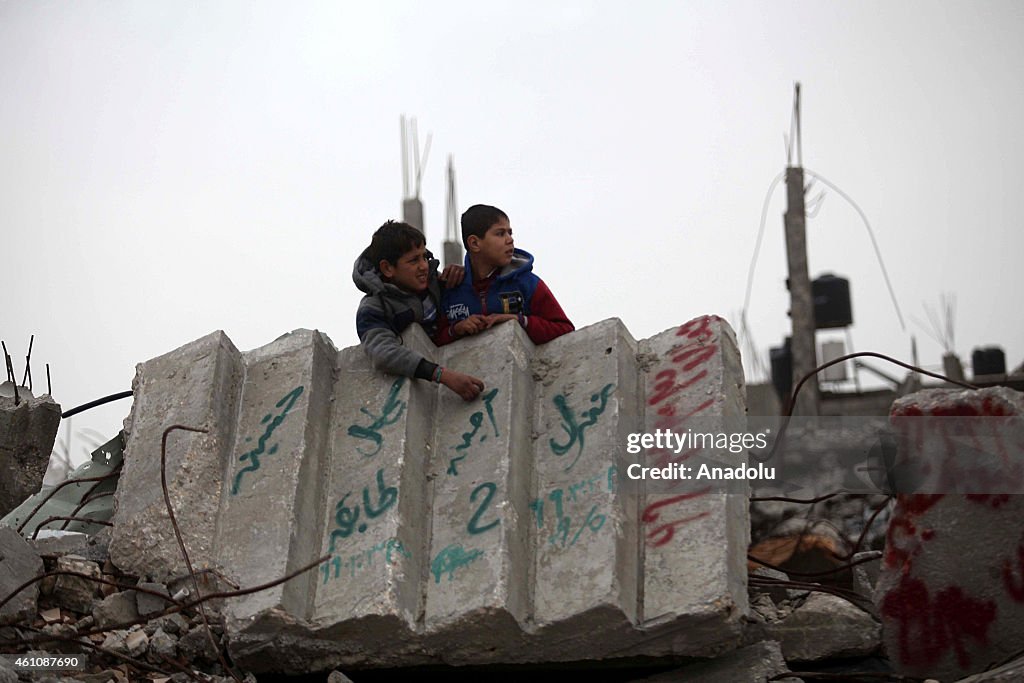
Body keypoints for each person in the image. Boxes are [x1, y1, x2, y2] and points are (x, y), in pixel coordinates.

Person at [354, 220, 485, 401]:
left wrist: (462, 276)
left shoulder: (435, 283)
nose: (424, 266)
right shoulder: (374, 308)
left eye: (424, 257)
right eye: (414, 260)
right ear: (388, 268)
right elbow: (383, 353)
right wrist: (442, 375)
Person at [434, 204, 574, 346]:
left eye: (510, 233)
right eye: (500, 234)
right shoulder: (452, 287)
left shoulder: (527, 283)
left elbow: (565, 329)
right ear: (475, 243)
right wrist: (456, 329)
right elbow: (433, 342)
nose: (510, 240)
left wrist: (519, 320)